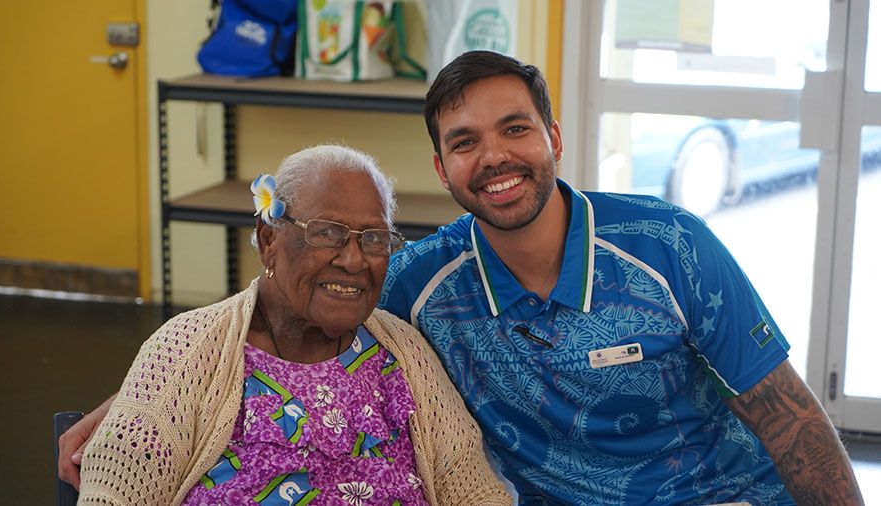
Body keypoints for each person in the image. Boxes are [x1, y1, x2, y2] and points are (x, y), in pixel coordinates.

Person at [61, 52, 864, 505]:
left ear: (552, 136)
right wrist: (135, 399)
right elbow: (293, 292)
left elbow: (789, 415)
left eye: (516, 129)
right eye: (466, 141)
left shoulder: (669, 248)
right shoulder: (418, 277)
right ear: (443, 167)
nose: (496, 157)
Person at [73, 145, 511, 505]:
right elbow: (112, 495)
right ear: (269, 241)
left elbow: (473, 490)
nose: (354, 260)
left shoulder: (406, 354)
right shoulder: (188, 351)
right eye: (327, 232)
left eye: (374, 239)